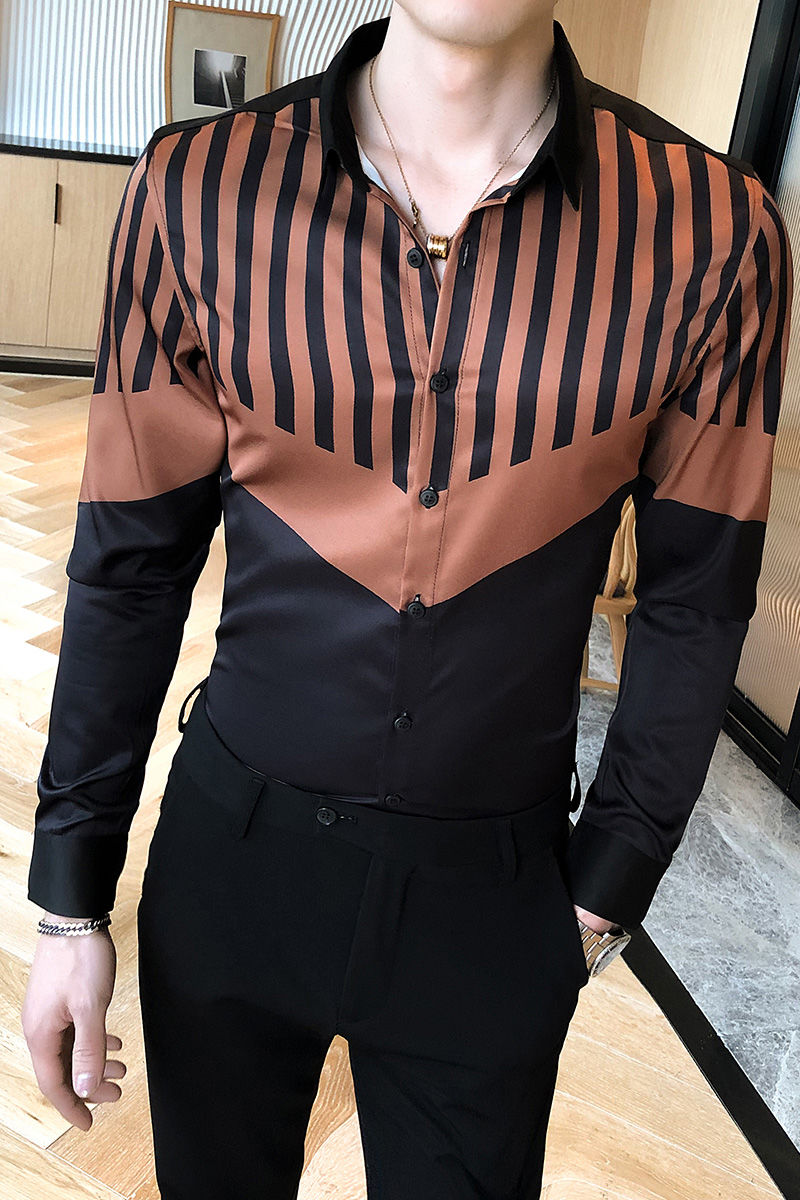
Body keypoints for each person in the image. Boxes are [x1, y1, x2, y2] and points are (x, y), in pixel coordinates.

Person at [21, 3, 792, 1198]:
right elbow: (129, 561)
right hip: (232, 865)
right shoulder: (198, 187)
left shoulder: (711, 231)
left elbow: (697, 599)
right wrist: (70, 905)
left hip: (495, 903)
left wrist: (605, 891)